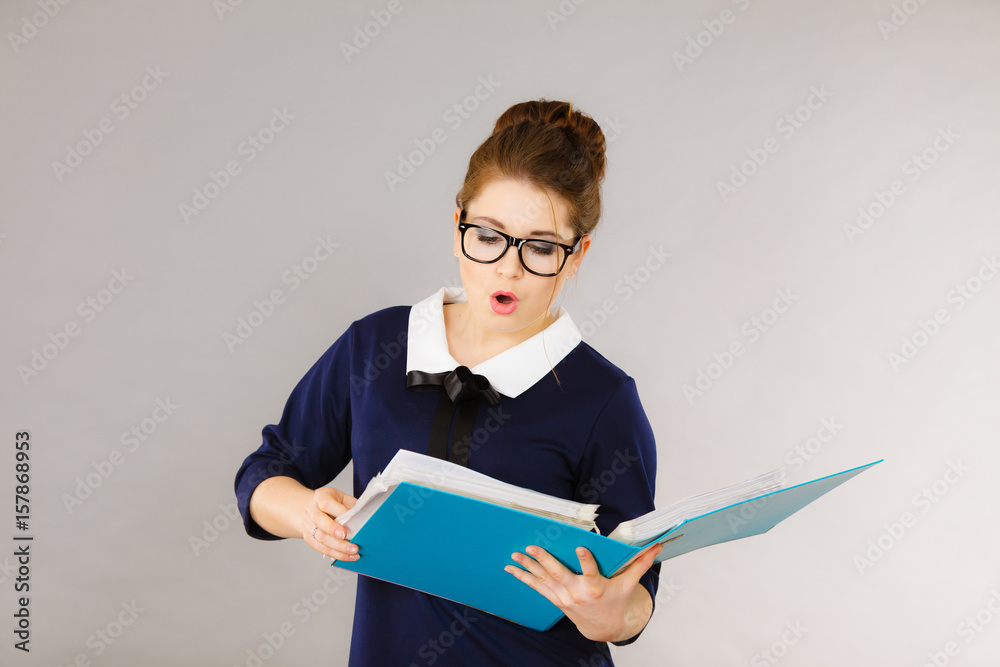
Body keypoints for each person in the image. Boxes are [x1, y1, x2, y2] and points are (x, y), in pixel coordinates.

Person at [234, 99, 663, 666]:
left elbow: (637, 585)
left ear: (577, 255)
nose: (508, 268)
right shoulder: (376, 346)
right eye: (488, 236)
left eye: (540, 248)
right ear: (457, 223)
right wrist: (307, 515)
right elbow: (265, 473)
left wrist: (615, 614)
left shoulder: (602, 398)